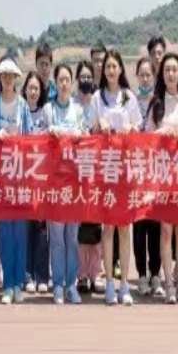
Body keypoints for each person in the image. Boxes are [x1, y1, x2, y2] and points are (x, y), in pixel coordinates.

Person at [0, 58, 34, 305]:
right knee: (4, 232)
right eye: (4, 76)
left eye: (11, 76)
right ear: (0, 80)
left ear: (16, 79)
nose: (8, 80)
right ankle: (7, 285)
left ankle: (17, 284)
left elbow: (31, 136)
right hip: (0, 176)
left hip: (20, 175)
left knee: (20, 231)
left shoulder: (23, 105)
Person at [92, 49, 140, 306]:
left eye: (115, 66)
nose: (111, 70)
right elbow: (90, 131)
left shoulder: (129, 97)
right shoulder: (97, 98)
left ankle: (125, 284)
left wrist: (132, 128)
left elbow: (138, 129)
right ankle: (109, 281)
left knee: (125, 228)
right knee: (108, 227)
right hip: (105, 169)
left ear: (121, 69)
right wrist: (99, 126)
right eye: (108, 66)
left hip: (126, 170)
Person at [147, 53, 178, 305]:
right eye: (167, 70)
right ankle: (168, 284)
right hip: (163, 175)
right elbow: (146, 138)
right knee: (166, 230)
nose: (171, 74)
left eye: (175, 69)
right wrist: (161, 132)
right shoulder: (156, 103)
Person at [41, 63, 86, 305]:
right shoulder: (48, 110)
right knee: (57, 237)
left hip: (74, 184)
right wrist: (50, 132)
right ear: (56, 83)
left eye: (68, 79)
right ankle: (58, 284)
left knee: (72, 237)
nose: (64, 83)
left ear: (72, 82)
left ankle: (72, 284)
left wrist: (81, 136)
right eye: (60, 80)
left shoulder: (78, 110)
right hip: (55, 184)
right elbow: (39, 141)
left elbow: (88, 139)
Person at [133, 56, 161, 296]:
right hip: (135, 172)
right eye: (141, 75)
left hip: (156, 171)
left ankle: (155, 274)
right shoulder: (130, 100)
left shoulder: (159, 101)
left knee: (156, 225)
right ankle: (141, 275)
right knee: (138, 226)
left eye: (148, 75)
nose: (144, 78)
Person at [74, 59, 102, 293]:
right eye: (81, 76)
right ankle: (81, 273)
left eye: (88, 77)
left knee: (96, 223)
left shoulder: (98, 102)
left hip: (97, 170)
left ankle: (97, 273)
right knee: (80, 225)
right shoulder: (73, 104)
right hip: (76, 172)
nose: (85, 80)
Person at [22, 69, 49, 294]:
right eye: (30, 87)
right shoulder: (20, 111)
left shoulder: (45, 113)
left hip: (42, 179)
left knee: (41, 229)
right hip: (23, 178)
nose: (33, 91)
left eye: (36, 88)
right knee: (26, 228)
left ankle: (42, 275)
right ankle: (27, 274)